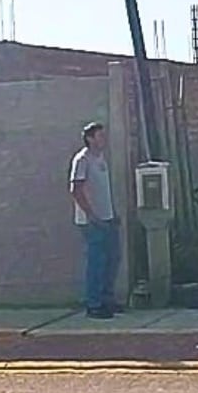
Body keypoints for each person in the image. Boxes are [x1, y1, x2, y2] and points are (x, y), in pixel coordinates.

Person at [70, 122, 122, 319]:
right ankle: (94, 304)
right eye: (99, 136)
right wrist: (91, 215)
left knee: (112, 259)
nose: (103, 140)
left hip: (107, 217)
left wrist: (112, 213)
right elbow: (76, 189)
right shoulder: (82, 160)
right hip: (92, 221)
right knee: (96, 262)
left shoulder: (101, 158)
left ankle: (107, 299)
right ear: (90, 138)